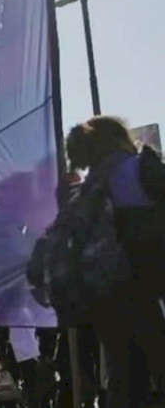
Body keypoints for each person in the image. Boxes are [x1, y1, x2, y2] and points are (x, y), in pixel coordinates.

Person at [64, 116, 165, 408]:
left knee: (123, 377)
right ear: (120, 140)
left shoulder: (85, 189)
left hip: (104, 297)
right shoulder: (139, 168)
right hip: (147, 289)